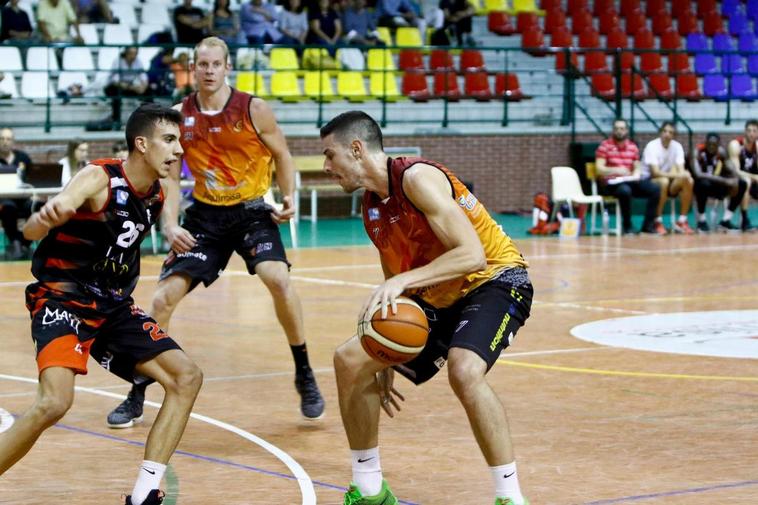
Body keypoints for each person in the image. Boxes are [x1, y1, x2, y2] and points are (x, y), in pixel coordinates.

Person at [106, 37, 324, 428]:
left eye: (215, 64)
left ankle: (304, 371)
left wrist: (288, 196)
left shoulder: (253, 108)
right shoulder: (177, 117)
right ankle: (137, 389)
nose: (208, 71)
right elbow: (169, 177)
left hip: (253, 211)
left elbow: (283, 155)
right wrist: (170, 224)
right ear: (194, 68)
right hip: (206, 218)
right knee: (163, 297)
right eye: (201, 64)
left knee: (278, 278)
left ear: (227, 67)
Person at [320, 111, 533, 505]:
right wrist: (381, 355)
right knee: (350, 360)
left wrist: (400, 282)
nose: (326, 166)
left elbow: (471, 255)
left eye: (330, 156)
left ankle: (510, 497)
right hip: (438, 292)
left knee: (465, 370)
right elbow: (395, 284)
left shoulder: (417, 179)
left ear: (356, 149)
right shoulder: (372, 208)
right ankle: (370, 492)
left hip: (495, 278)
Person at [0, 103, 203, 505]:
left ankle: (145, 493)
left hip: (111, 305)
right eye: (169, 140)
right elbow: (31, 227)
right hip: (64, 298)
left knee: (186, 377)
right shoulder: (99, 177)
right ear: (141, 144)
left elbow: (159, 208)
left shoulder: (155, 194)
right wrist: (47, 217)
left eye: (179, 140)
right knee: (55, 403)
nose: (179, 149)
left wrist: (170, 228)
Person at [595, 118, 661, 235]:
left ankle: (648, 226)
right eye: (616, 129)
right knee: (625, 191)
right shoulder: (605, 146)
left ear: (626, 130)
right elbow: (599, 168)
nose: (619, 131)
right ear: (613, 130)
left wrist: (636, 173)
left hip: (629, 181)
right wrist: (616, 170)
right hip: (612, 184)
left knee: (655, 189)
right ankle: (627, 226)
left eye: (622, 129)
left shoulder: (632, 147)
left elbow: (637, 166)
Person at [640, 121, 695, 234]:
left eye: (670, 132)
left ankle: (681, 221)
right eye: (664, 131)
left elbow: (680, 170)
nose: (667, 134)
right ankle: (658, 221)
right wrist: (679, 174)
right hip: (648, 180)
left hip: (669, 179)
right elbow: (655, 173)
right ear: (660, 132)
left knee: (688, 180)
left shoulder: (677, 146)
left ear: (674, 135)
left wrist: (684, 175)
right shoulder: (652, 146)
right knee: (663, 181)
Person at [691, 133, 747, 233]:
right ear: (705, 143)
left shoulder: (721, 152)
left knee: (742, 184)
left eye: (714, 145)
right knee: (703, 183)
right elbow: (698, 174)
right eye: (709, 144)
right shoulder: (697, 151)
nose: (711, 147)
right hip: (699, 187)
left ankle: (726, 221)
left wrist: (734, 179)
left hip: (716, 185)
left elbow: (732, 170)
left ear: (718, 145)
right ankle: (701, 221)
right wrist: (724, 181)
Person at [0, 127, 33, 260]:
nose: (5, 142)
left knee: (36, 207)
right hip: (3, 199)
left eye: (8, 139)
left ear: (13, 142)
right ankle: (18, 244)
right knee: (8, 208)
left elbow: (33, 179)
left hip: (23, 198)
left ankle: (21, 243)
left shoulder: (23, 158)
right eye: (2, 139)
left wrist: (34, 193)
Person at [104, 47, 149, 129]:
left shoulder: (137, 61)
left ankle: (149, 118)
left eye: (135, 54)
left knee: (148, 91)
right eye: (131, 54)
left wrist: (143, 86)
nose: (133, 56)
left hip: (129, 86)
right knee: (116, 93)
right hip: (114, 86)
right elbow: (116, 80)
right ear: (126, 53)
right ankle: (116, 121)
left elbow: (143, 76)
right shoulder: (117, 61)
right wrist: (133, 88)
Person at [733, 119, 757, 230]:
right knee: (745, 181)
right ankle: (744, 219)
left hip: (753, 182)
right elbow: (736, 171)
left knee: (748, 181)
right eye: (749, 130)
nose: (751, 133)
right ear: (745, 132)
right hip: (736, 182)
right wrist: (753, 177)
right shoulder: (736, 145)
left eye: (754, 131)